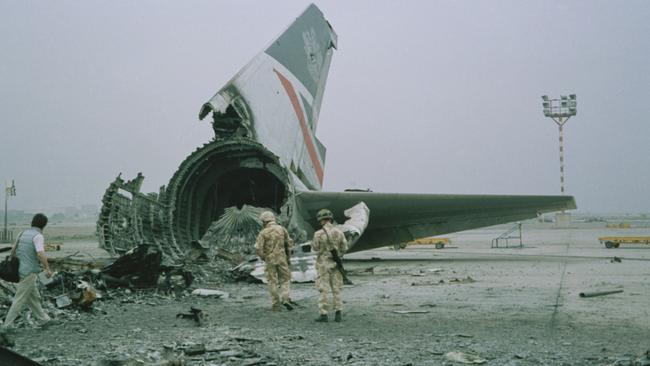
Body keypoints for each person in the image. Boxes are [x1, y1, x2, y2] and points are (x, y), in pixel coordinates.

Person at [4, 213, 53, 328]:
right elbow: (40, 254)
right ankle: (6, 326)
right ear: (43, 225)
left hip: (20, 270)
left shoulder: (22, 233)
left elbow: (13, 251)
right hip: (29, 272)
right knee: (19, 299)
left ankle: (44, 320)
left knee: (33, 297)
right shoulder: (38, 236)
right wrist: (47, 268)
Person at [312, 208, 348, 322]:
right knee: (336, 289)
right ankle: (338, 313)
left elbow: (315, 249)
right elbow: (345, 248)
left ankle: (324, 314)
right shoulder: (339, 232)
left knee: (324, 290)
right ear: (331, 219)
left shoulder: (318, 234)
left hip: (323, 265)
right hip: (336, 264)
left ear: (321, 220)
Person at [254, 211, 293, 311]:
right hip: (282, 258)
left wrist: (264, 257)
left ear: (264, 221)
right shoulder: (282, 229)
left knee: (272, 281)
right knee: (285, 280)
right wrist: (288, 258)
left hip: (270, 259)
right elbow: (289, 245)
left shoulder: (263, 232)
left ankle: (276, 304)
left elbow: (258, 248)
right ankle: (285, 298)